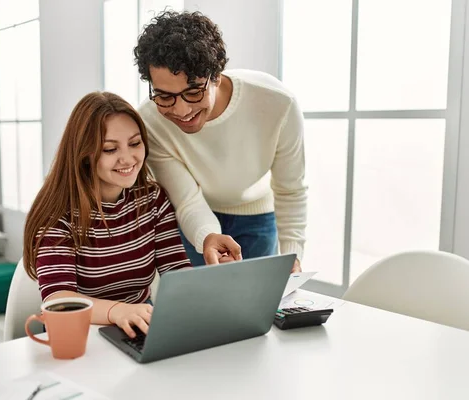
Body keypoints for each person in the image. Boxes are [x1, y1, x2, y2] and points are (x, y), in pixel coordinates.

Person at [134, 11, 307, 272]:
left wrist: (292, 255)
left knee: (256, 307)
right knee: (201, 307)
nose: (180, 111)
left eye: (193, 92)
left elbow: (290, 189)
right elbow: (186, 200)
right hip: (194, 217)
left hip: (257, 216)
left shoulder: (277, 103)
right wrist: (207, 236)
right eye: (164, 96)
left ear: (216, 76)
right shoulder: (150, 121)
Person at [23, 92, 191, 338]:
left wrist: (209, 287)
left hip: (137, 329)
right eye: (110, 149)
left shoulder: (152, 199)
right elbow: (58, 300)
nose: (128, 158)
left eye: (135, 144)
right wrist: (117, 312)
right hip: (78, 335)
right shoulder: (58, 215)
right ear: (85, 155)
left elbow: (175, 270)